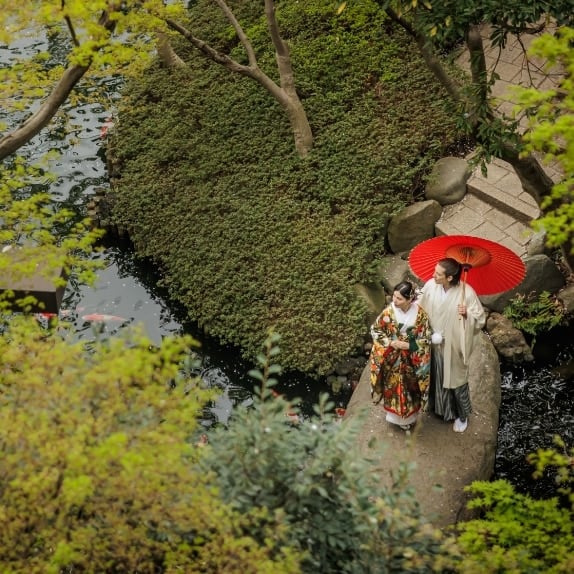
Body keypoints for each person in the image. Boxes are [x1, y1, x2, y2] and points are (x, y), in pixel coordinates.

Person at [418, 257, 486, 433]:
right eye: (435, 271)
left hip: (454, 344)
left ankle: (462, 415)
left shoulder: (467, 292)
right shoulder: (431, 285)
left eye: (438, 273)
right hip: (433, 339)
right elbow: (420, 305)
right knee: (434, 374)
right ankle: (438, 407)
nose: (433, 275)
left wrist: (467, 315)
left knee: (456, 380)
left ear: (449, 277)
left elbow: (480, 319)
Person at [369, 281, 431, 431]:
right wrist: (390, 342)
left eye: (399, 299)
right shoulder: (388, 313)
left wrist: (410, 345)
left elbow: (426, 338)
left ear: (410, 299)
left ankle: (409, 417)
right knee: (393, 387)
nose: (394, 301)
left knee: (411, 388)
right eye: (394, 296)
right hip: (392, 359)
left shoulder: (421, 315)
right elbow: (375, 330)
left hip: (411, 360)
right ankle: (394, 416)